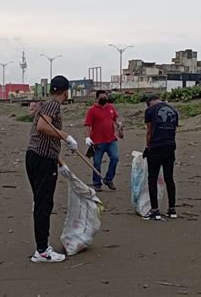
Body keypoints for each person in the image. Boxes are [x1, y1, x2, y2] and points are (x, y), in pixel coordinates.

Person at [25, 75, 78, 263]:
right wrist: (66, 136)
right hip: (41, 160)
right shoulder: (53, 105)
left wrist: (61, 163)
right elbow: (42, 128)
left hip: (40, 157)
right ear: (65, 91)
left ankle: (42, 247)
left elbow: (47, 140)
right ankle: (42, 251)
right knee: (44, 204)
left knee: (42, 202)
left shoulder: (46, 105)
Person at [142, 94, 179, 221]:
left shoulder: (150, 110)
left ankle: (155, 210)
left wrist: (147, 146)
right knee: (169, 178)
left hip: (156, 146)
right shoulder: (173, 110)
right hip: (170, 146)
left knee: (152, 178)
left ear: (150, 103)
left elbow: (149, 130)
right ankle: (172, 209)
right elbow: (174, 130)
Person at [84, 90, 123, 191]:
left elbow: (115, 119)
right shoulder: (92, 110)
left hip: (111, 140)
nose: (104, 99)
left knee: (115, 158)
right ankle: (97, 183)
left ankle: (109, 179)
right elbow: (88, 125)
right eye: (101, 97)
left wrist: (119, 125)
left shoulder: (111, 108)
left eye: (105, 97)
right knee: (97, 162)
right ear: (97, 98)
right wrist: (88, 137)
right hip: (97, 141)